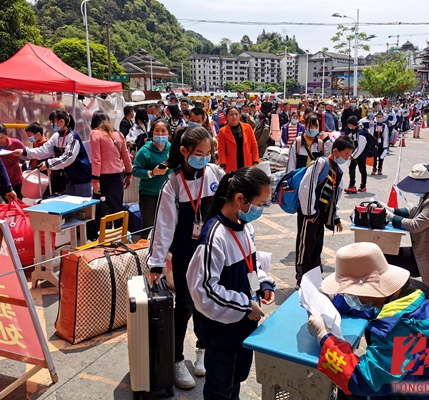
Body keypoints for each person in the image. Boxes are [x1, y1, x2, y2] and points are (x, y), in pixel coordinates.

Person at [307, 242, 429, 399]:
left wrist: (325, 337)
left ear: (367, 291)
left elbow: (364, 380)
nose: (349, 297)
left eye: (349, 293)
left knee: (348, 389)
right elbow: (372, 309)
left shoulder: (401, 329)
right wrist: (335, 300)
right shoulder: (411, 296)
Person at [187, 167, 275, 400]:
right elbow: (204, 290)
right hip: (221, 334)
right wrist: (245, 306)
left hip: (243, 329)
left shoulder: (245, 227)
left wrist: (262, 286)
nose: (261, 210)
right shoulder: (214, 237)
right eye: (260, 204)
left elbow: (250, 268)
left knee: (234, 382)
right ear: (240, 199)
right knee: (219, 391)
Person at [147, 125, 224, 389]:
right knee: (186, 307)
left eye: (208, 153)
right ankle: (177, 359)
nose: (204, 159)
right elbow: (163, 226)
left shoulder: (215, 174)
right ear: (184, 151)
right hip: (185, 255)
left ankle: (203, 350)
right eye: (199, 154)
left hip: (213, 253)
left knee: (211, 304)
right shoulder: (173, 183)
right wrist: (155, 263)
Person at [294, 136, 354, 288]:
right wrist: (309, 213)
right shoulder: (320, 163)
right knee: (305, 245)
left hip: (321, 214)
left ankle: (314, 274)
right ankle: (301, 276)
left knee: (316, 244)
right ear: (336, 151)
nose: (347, 158)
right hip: (310, 212)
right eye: (346, 154)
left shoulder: (338, 171)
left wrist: (336, 217)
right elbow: (306, 188)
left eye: (349, 155)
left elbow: (335, 197)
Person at [12, 110, 92, 197]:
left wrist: (48, 164)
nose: (51, 124)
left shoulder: (73, 137)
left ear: (61, 122)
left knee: (83, 206)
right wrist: (25, 152)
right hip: (68, 177)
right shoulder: (56, 136)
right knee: (71, 206)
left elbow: (68, 158)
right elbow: (44, 150)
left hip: (80, 177)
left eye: (52, 122)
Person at [133, 119, 171, 239]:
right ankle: (144, 254)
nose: (160, 134)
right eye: (157, 131)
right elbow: (135, 170)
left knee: (166, 226)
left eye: (163, 131)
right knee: (148, 228)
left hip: (168, 195)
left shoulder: (172, 149)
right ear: (152, 133)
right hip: (148, 195)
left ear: (168, 133)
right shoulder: (144, 151)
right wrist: (152, 173)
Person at [90, 111, 132, 218]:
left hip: (103, 178)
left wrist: (95, 180)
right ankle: (119, 232)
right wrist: (129, 174)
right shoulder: (119, 134)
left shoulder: (95, 133)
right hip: (118, 177)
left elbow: (96, 159)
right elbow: (126, 156)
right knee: (117, 208)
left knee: (103, 210)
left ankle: (104, 233)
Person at [217, 107, 259, 173]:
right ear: (227, 117)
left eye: (236, 114)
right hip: (231, 165)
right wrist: (223, 164)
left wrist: (255, 162)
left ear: (239, 115)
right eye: (231, 115)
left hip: (247, 162)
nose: (234, 117)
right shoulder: (222, 131)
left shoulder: (248, 127)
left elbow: (254, 146)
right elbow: (221, 150)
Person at [0, 123, 26, 200]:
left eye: (2, 137)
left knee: (16, 205)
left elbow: (27, 153)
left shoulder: (16, 143)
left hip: (15, 181)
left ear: (7, 134)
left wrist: (20, 153)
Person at [344, 116, 369, 193]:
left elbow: (360, 147)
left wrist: (353, 156)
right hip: (354, 154)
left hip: (360, 155)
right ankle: (352, 185)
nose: (348, 126)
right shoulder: (355, 131)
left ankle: (363, 185)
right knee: (351, 169)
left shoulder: (361, 133)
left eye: (349, 124)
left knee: (362, 169)